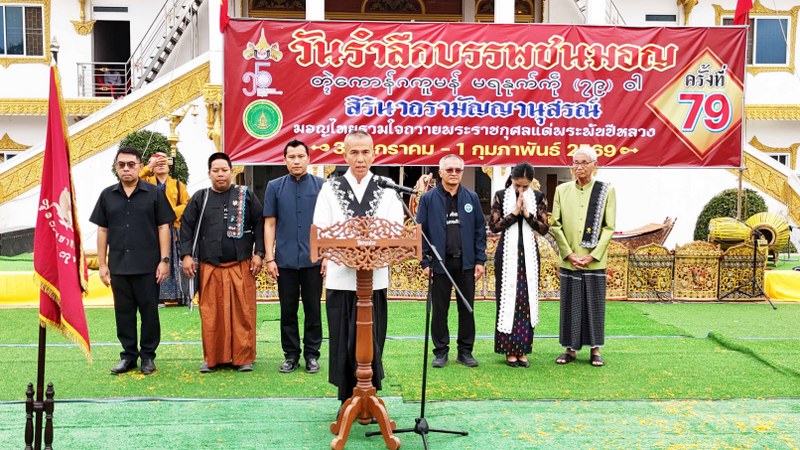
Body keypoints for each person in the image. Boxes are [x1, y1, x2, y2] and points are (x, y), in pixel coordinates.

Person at [312, 130, 403, 405]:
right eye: (354, 152)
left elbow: (396, 229)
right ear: (345, 155)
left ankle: (370, 396)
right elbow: (321, 230)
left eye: (365, 152)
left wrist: (371, 248)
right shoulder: (330, 188)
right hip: (341, 277)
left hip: (375, 277)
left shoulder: (387, 188)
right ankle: (346, 399)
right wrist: (349, 250)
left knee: (373, 337)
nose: (360, 158)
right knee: (342, 339)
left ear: (374, 154)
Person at [90, 147, 175, 375]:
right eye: (121, 165)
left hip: (148, 266)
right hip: (119, 266)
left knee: (149, 313)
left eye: (131, 164)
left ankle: (148, 356)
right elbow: (102, 230)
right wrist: (102, 264)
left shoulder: (154, 194)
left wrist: (164, 260)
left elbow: (163, 227)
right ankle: (128, 356)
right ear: (116, 168)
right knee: (123, 314)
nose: (126, 168)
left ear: (140, 166)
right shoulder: (107, 195)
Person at [180, 152, 265, 373]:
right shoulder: (200, 198)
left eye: (224, 170)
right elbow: (186, 227)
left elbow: (260, 224)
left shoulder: (245, 196)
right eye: (216, 170)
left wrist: (259, 253)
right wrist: (186, 255)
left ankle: (243, 358)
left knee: (243, 313)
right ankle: (213, 358)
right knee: (211, 315)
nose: (220, 174)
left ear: (232, 171)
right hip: (210, 268)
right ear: (209, 173)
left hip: (240, 266)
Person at [416, 154, 486, 368]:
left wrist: (480, 260)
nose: (454, 173)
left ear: (462, 173)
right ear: (440, 172)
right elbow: (421, 232)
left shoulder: (471, 197)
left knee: (467, 309)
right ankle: (441, 352)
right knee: (440, 310)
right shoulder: (428, 199)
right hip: (439, 264)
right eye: (449, 170)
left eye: (458, 170)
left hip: (466, 263)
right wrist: (425, 262)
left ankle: (465, 352)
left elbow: (479, 230)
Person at [550, 145, 616, 367]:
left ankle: (595, 349)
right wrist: (568, 253)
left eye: (584, 163)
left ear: (594, 166)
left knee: (594, 305)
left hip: (593, 262)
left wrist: (593, 255)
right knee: (570, 305)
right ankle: (570, 349)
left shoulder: (606, 191)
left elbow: (609, 227)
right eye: (575, 163)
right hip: (570, 260)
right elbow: (555, 225)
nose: (579, 167)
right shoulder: (562, 190)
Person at [263, 139, 326, 374]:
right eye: (292, 157)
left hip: (314, 260)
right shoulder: (274, 187)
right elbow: (270, 223)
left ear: (309, 159)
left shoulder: (322, 186)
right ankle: (290, 355)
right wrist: (270, 257)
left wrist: (327, 255)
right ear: (285, 160)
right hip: (285, 261)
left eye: (301, 156)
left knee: (313, 309)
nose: (296, 161)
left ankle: (312, 355)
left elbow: (327, 224)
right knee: (287, 310)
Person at [488, 162, 550, 368]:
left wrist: (527, 215)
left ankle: (522, 349)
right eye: (517, 186)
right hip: (507, 255)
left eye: (525, 186)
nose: (521, 190)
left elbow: (544, 228)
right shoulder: (500, 195)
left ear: (531, 183)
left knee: (526, 299)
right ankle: (508, 349)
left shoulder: (539, 197)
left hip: (529, 256)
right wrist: (514, 214)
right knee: (508, 299)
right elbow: (494, 226)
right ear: (512, 180)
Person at [139, 152, 191, 306]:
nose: (161, 165)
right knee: (153, 260)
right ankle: (156, 296)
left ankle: (178, 295)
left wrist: (170, 212)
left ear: (169, 166)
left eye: (164, 162)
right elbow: (133, 180)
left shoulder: (177, 185)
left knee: (174, 261)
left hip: (172, 228)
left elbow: (187, 204)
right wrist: (148, 167)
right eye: (157, 163)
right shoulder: (146, 183)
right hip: (151, 228)